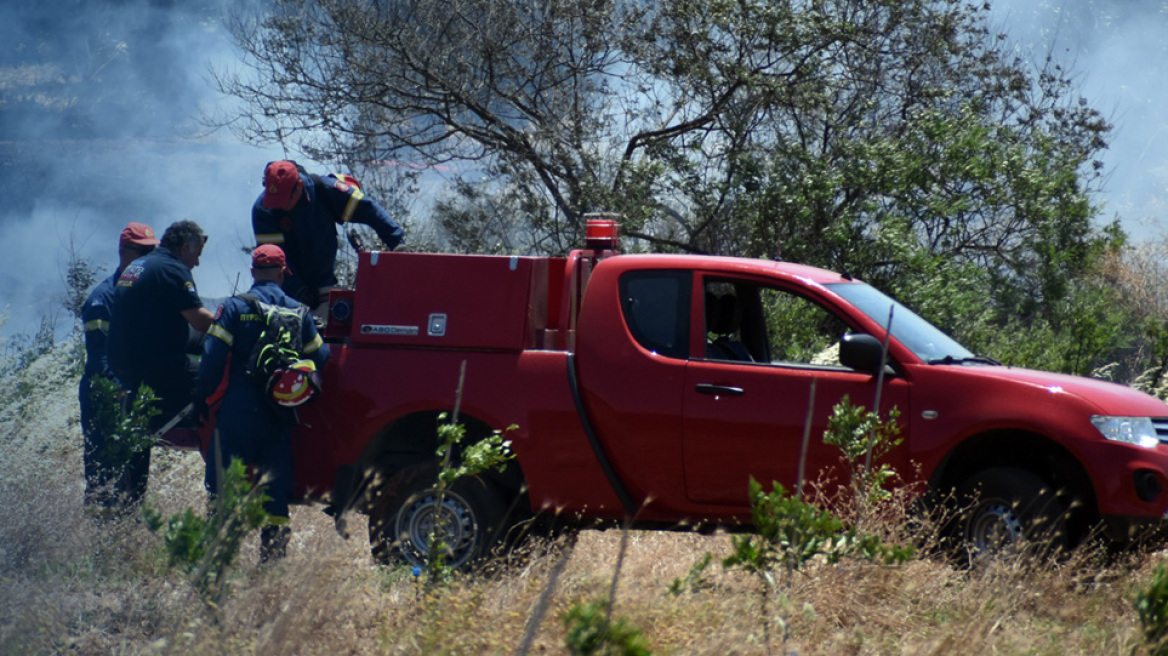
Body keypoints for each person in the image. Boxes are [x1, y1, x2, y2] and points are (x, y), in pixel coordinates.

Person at [195, 243, 330, 563]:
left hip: (238, 414)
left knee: (223, 487)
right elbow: (321, 356)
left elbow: (212, 357)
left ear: (254, 272)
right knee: (274, 490)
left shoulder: (234, 307)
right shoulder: (300, 312)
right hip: (280, 415)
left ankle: (217, 559)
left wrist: (200, 396)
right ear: (284, 274)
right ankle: (271, 566)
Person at [107, 220, 216, 506]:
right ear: (184, 248)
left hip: (125, 365)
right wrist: (236, 321)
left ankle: (128, 504)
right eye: (197, 254)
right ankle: (213, 444)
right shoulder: (173, 269)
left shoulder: (141, 266)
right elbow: (200, 320)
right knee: (217, 377)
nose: (198, 263)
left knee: (206, 345)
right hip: (155, 366)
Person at [252, 160, 405, 318]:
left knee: (327, 332)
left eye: (283, 200)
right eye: (274, 199)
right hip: (284, 289)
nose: (278, 206)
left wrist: (397, 242)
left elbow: (369, 210)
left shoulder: (326, 191)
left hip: (323, 284)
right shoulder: (264, 210)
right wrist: (298, 289)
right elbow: (273, 260)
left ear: (298, 186)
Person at [79, 222, 160, 509]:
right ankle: (101, 542)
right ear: (124, 252)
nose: (149, 259)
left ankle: (127, 537)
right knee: (104, 474)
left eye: (153, 252)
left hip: (133, 397)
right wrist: (121, 392)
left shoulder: (145, 295)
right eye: (143, 252)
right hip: (106, 397)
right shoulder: (103, 299)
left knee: (135, 479)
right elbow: (99, 358)